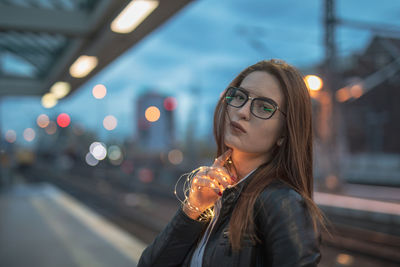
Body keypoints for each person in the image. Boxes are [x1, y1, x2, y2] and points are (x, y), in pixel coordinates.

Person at [138, 59, 327, 267]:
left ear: (284, 133)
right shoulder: (218, 194)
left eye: (264, 107)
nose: (243, 111)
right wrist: (193, 209)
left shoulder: (283, 203)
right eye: (239, 97)